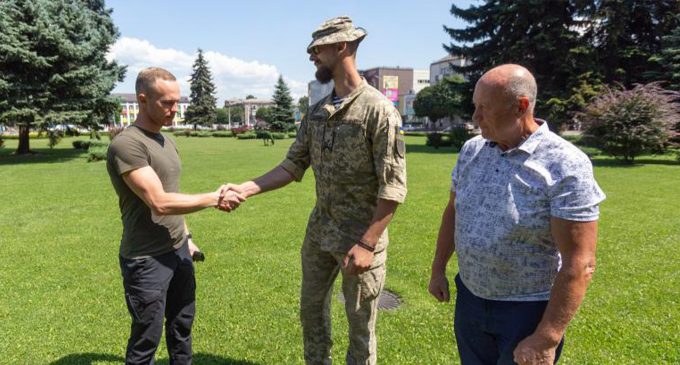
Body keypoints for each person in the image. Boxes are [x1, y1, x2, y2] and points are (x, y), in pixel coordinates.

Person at [222, 16, 407, 365]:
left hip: (359, 240)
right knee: (311, 314)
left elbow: (393, 187)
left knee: (361, 328)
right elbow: (292, 165)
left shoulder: (379, 111)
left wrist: (368, 243)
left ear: (341, 47)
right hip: (320, 234)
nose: (311, 55)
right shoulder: (318, 112)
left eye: (317, 48)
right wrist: (245, 188)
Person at [428, 64, 605, 365]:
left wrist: (547, 337)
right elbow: (453, 212)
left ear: (520, 106)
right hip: (470, 300)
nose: (475, 117)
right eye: (475, 106)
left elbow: (581, 261)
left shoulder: (565, 164)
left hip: (526, 313)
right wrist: (438, 268)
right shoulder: (472, 150)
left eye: (484, 108)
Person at [107, 67, 244, 364]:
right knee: (146, 340)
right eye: (166, 103)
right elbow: (159, 202)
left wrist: (188, 237)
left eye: (176, 102)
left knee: (182, 327)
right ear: (142, 100)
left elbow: (173, 192)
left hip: (178, 249)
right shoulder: (127, 144)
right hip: (147, 259)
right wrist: (214, 198)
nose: (174, 110)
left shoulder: (166, 141)